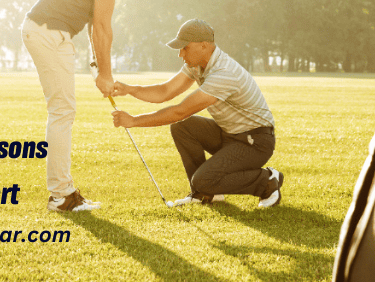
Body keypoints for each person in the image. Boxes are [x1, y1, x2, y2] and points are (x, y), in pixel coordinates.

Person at [22, 0, 170, 212]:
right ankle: (62, 196)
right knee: (62, 111)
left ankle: (63, 193)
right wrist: (105, 74)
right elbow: (103, 25)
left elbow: (93, 21)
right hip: (46, 32)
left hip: (55, 33)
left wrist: (96, 64)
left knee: (64, 110)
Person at [111, 19, 284, 208]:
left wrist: (134, 121)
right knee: (183, 127)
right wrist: (129, 89)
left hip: (255, 142)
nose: (180, 54)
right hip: (229, 134)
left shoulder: (224, 73)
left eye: (184, 48)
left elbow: (180, 111)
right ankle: (204, 194)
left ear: (203, 46)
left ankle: (266, 181)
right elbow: (166, 91)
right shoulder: (196, 65)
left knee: (201, 177)